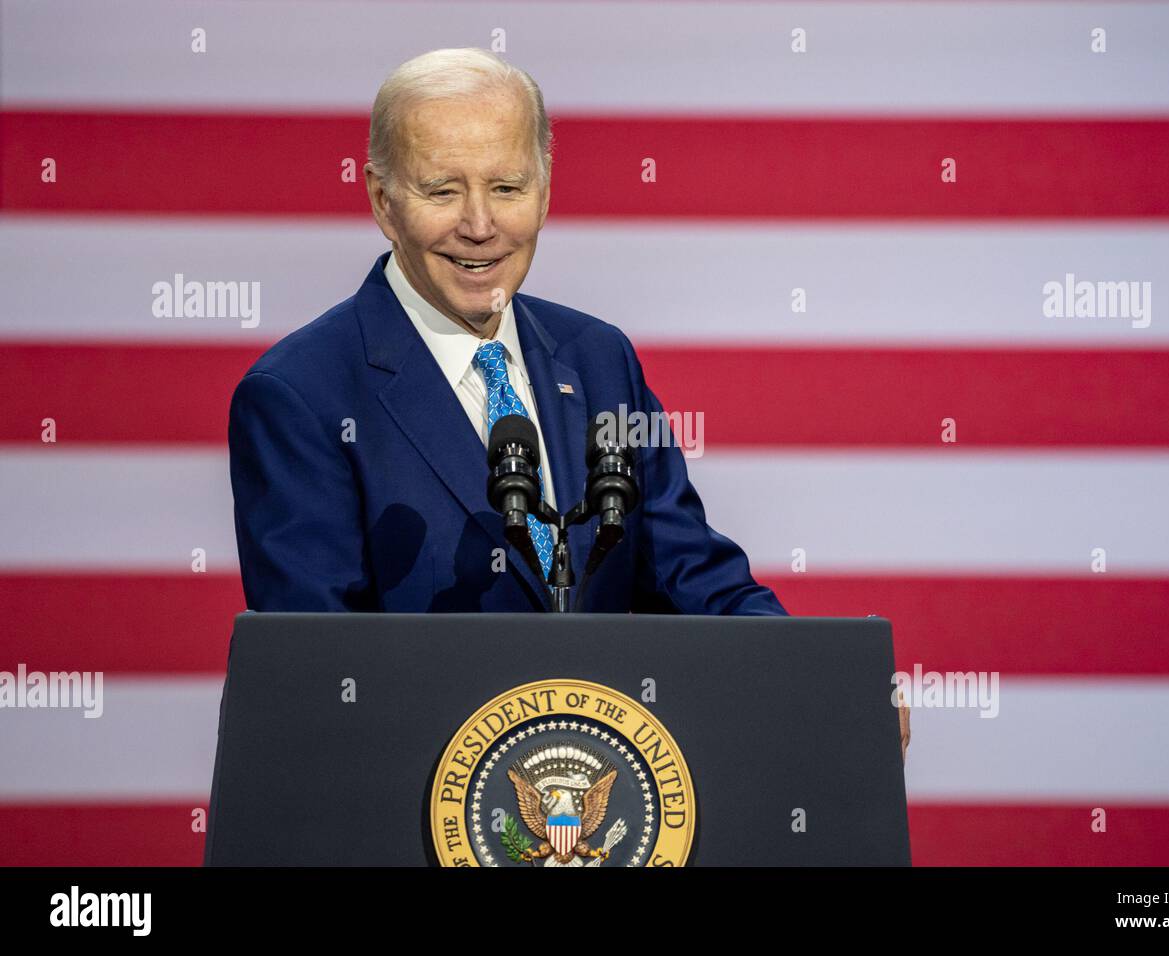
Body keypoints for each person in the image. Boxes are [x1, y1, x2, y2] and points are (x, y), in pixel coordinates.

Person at [228, 48, 787, 616]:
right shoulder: (300, 396)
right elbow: (317, 665)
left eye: (506, 188)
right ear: (383, 200)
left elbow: (698, 585)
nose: (479, 226)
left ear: (544, 191)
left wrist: (834, 693)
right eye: (442, 190)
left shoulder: (600, 360)